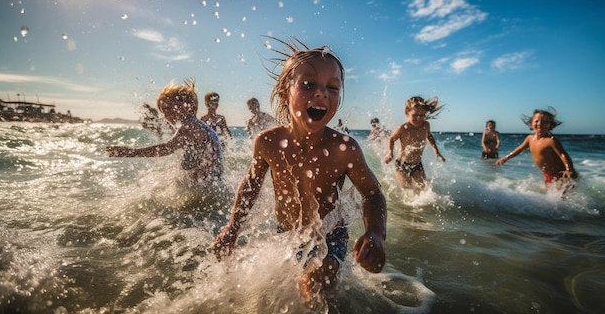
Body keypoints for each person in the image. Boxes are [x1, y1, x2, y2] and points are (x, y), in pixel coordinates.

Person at [211, 38, 386, 306]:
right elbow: (250, 185)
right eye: (308, 84)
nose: (321, 93)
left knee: (313, 289)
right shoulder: (268, 142)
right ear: (284, 93)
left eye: (333, 87)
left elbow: (373, 193)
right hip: (287, 234)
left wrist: (374, 232)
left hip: (330, 237)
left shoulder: (344, 148)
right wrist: (231, 230)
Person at [107, 80, 223, 182]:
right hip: (213, 178)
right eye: (162, 111)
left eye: (167, 108)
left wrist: (132, 152)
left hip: (205, 182)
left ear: (185, 106)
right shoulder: (196, 124)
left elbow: (166, 148)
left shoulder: (189, 126)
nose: (165, 115)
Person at [496, 108, 578, 190]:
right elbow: (520, 149)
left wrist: (569, 169)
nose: (540, 123)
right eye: (537, 121)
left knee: (562, 199)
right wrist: (506, 158)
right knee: (550, 196)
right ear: (531, 123)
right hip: (548, 175)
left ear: (550, 125)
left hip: (562, 174)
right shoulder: (530, 138)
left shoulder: (551, 141)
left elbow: (562, 154)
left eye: (545, 122)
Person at [383, 96, 445, 193]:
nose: (419, 118)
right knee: (407, 189)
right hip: (402, 163)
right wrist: (390, 153)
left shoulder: (426, 125)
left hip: (417, 163)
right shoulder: (403, 128)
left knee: (423, 188)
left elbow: (429, 137)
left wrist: (437, 152)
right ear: (407, 113)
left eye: (422, 115)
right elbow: (391, 138)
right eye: (415, 115)